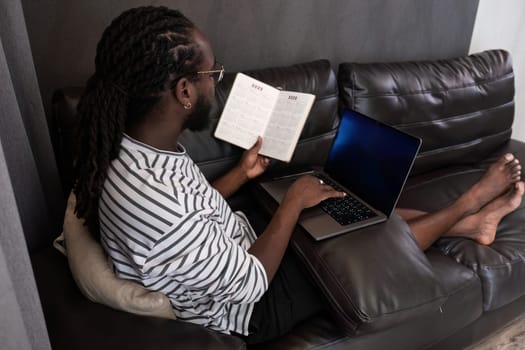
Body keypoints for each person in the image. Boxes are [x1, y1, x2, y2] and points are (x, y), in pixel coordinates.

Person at [72, 6, 524, 344]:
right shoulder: (154, 200)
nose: (217, 82)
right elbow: (250, 280)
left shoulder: (133, 153)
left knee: (348, 209)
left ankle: (468, 224)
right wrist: (292, 203)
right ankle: (466, 206)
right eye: (213, 73)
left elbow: (193, 211)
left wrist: (241, 176)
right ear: (185, 91)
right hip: (252, 304)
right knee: (360, 232)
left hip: (236, 246)